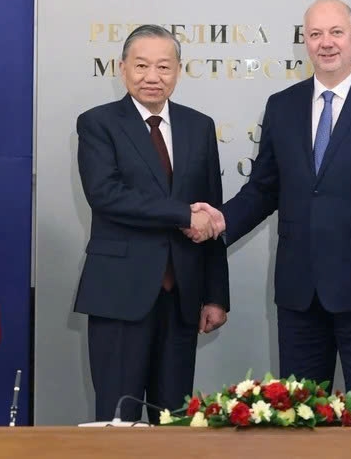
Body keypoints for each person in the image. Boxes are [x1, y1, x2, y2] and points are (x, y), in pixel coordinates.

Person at [190, 0, 351, 416]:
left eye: (336, 32)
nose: (326, 43)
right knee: (298, 416)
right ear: (305, 42)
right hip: (300, 295)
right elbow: (264, 189)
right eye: (315, 34)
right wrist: (221, 220)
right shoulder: (282, 106)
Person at [74, 24, 229, 423]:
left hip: (182, 296)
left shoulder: (200, 126)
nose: (152, 77)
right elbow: (106, 195)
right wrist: (182, 215)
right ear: (122, 68)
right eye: (141, 65)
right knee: (118, 415)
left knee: (174, 418)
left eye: (163, 66)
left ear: (178, 71)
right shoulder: (98, 123)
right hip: (120, 292)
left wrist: (215, 295)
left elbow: (212, 209)